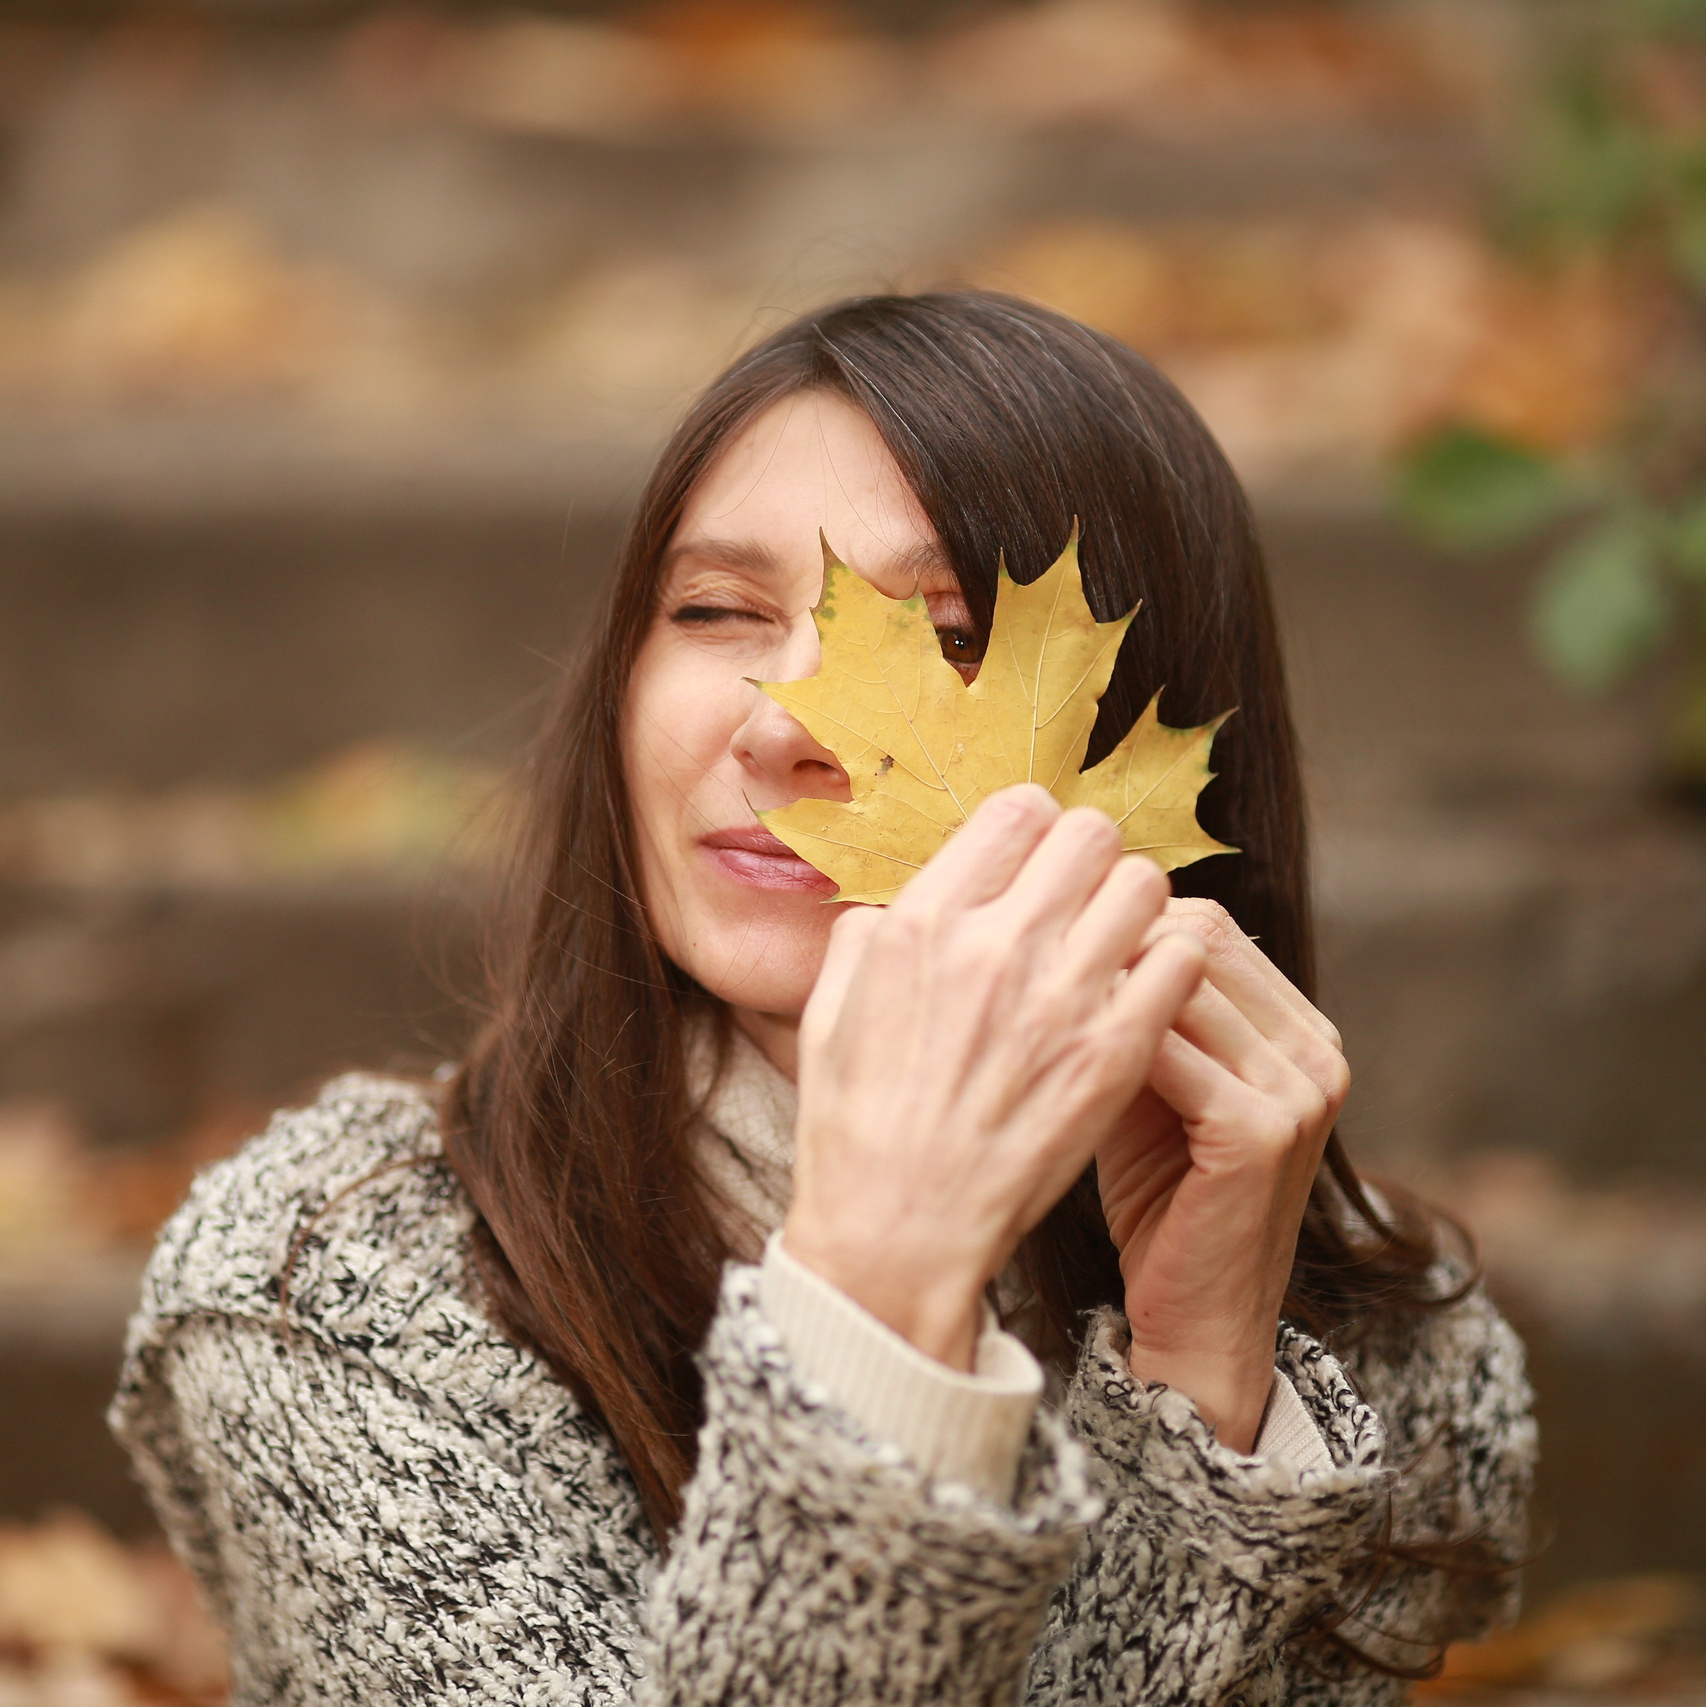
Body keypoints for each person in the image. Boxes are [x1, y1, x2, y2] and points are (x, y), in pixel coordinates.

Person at [112, 291, 1534, 1706]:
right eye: (717, 611)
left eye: (954, 636)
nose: (788, 727)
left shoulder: (1379, 1361)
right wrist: (877, 1296)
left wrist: (1206, 1392)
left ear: (1151, 741)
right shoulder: (333, 1282)